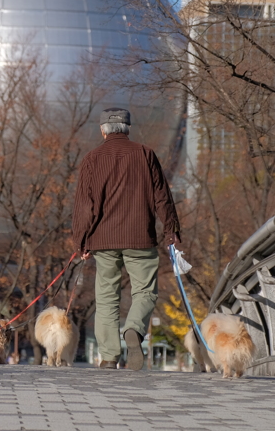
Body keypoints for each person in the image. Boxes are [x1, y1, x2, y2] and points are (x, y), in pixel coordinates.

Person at [72, 107, 181, 370]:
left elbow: (85, 206)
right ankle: (133, 328)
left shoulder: (91, 159)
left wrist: (81, 241)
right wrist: (171, 232)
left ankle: (109, 356)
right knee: (144, 291)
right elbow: (162, 197)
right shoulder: (145, 154)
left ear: (102, 130)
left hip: (103, 240)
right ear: (128, 128)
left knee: (107, 297)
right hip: (140, 237)